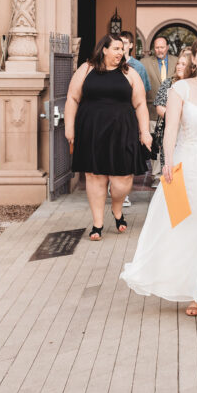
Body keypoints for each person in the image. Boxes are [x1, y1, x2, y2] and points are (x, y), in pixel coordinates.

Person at [120, 37, 197, 328]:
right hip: (186, 167)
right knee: (189, 227)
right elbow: (171, 129)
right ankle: (196, 291)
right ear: (194, 59)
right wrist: (168, 164)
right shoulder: (179, 89)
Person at [65, 35, 152, 241]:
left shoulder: (129, 72)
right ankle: (97, 224)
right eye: (116, 48)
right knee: (95, 176)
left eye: (122, 49)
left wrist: (145, 131)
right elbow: (72, 97)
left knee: (122, 180)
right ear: (103, 49)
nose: (120, 52)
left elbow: (140, 104)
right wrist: (69, 127)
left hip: (123, 130)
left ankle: (117, 207)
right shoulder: (86, 69)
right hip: (91, 130)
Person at [118, 31, 150, 207]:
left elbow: (143, 94)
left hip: (132, 117)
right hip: (114, 117)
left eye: (124, 43)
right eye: (118, 43)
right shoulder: (108, 65)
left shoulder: (138, 67)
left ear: (131, 45)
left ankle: (124, 192)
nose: (122, 46)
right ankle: (113, 185)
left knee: (127, 154)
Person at [151, 50, 193, 179]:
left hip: (190, 132)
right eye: (178, 64)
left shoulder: (195, 85)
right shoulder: (168, 83)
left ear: (192, 67)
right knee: (171, 168)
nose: (179, 66)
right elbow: (159, 107)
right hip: (170, 131)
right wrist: (176, 117)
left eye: (183, 64)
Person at [142, 35, 178, 181]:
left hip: (174, 109)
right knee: (155, 143)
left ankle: (172, 172)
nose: (159, 50)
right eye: (157, 47)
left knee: (171, 141)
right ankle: (156, 175)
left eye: (162, 47)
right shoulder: (144, 63)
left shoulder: (177, 61)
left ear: (167, 47)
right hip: (151, 110)